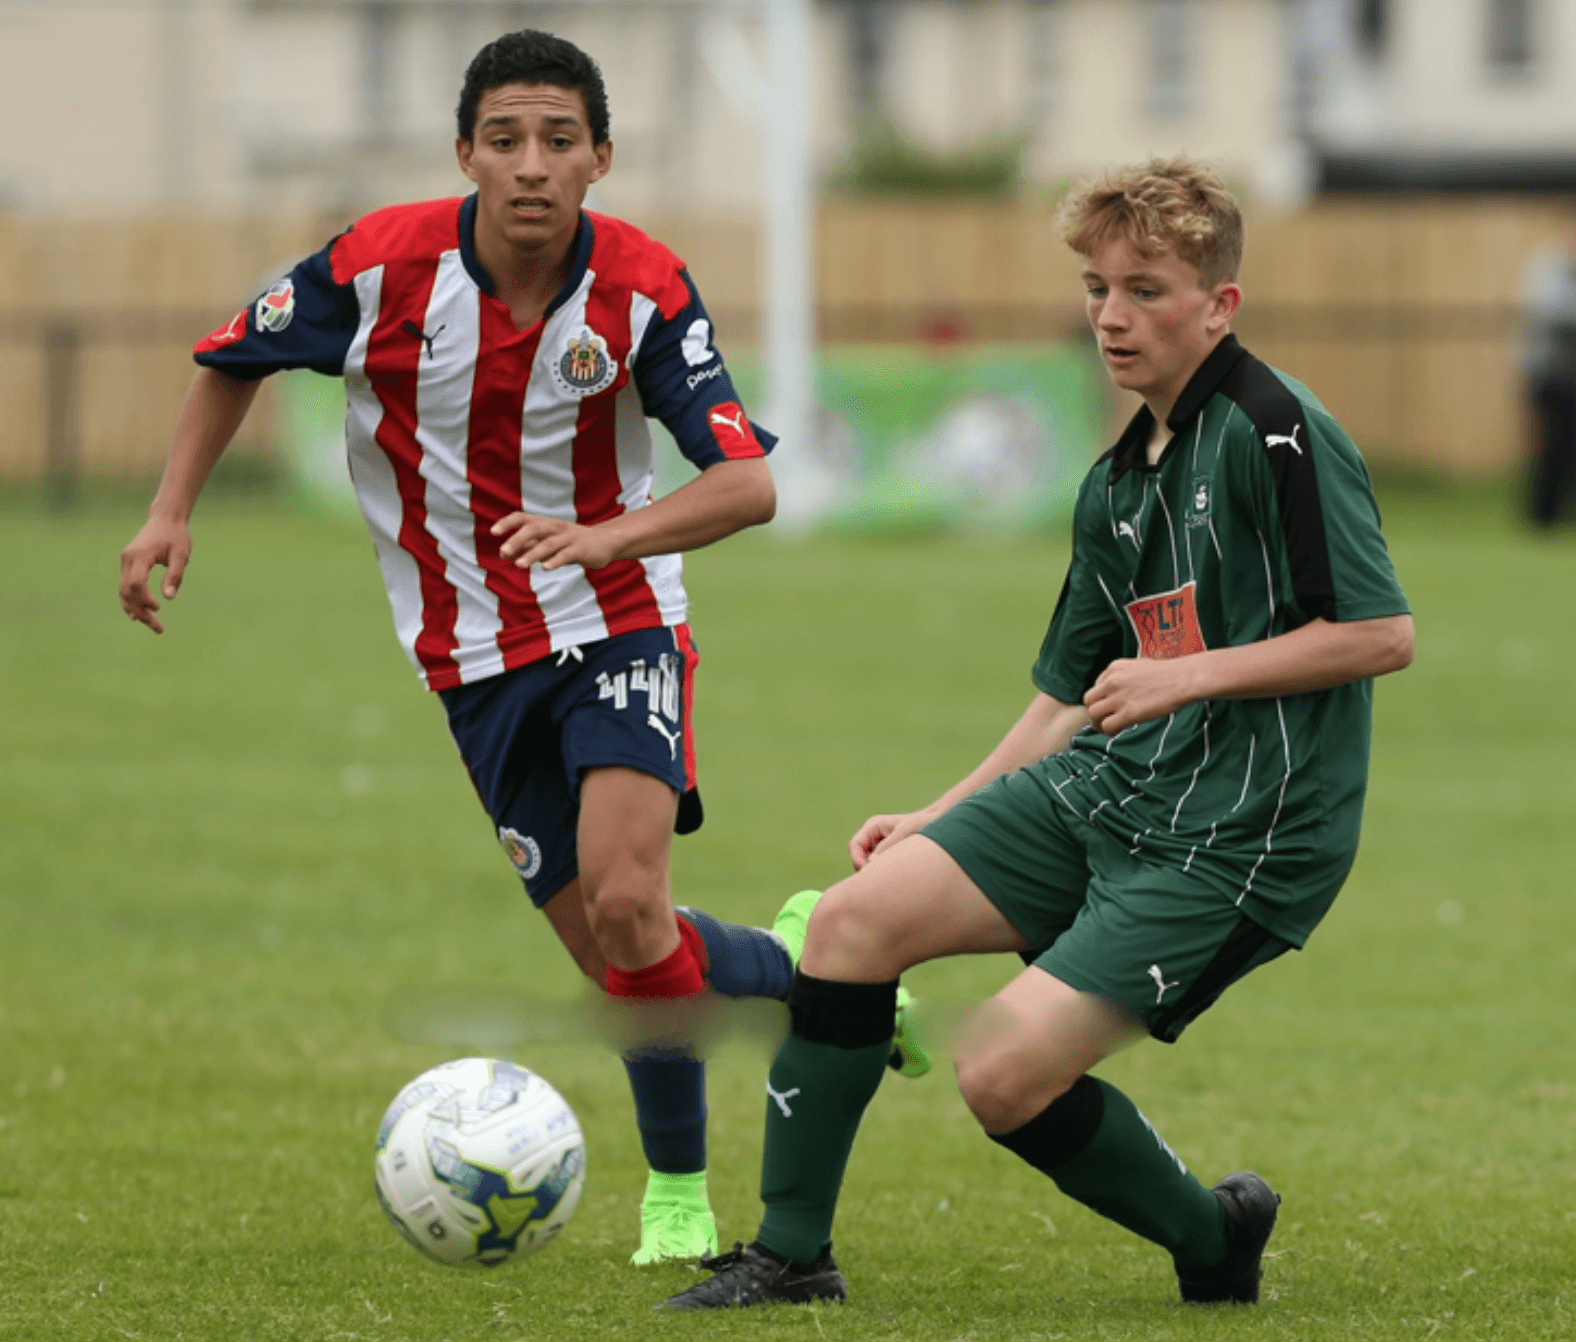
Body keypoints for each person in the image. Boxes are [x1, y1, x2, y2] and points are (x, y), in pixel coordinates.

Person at [116, 28, 877, 1266]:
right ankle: (815, 965)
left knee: (632, 900)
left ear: (601, 160)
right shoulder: (378, 266)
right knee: (624, 948)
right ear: (463, 151)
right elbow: (234, 358)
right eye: (507, 139)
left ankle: (676, 1200)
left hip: (618, 615)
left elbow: (747, 486)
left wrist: (604, 538)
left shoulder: (641, 287)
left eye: (559, 140)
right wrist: (168, 512)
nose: (532, 164)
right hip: (467, 655)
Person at [661, 155, 1415, 1311]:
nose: (1112, 315)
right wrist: (938, 813)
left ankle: (1212, 1237)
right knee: (851, 923)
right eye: (1095, 287)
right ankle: (791, 1254)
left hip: (1239, 836)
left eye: (1146, 289)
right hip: (1107, 791)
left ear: (1220, 304)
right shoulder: (1115, 479)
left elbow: (1379, 633)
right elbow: (1065, 695)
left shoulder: (1276, 434)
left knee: (1000, 1072)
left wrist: (1193, 678)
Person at [1519, 229, 1576, 526]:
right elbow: (1552, 316)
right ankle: (1544, 517)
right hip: (1551, 376)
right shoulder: (1549, 267)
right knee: (1553, 445)